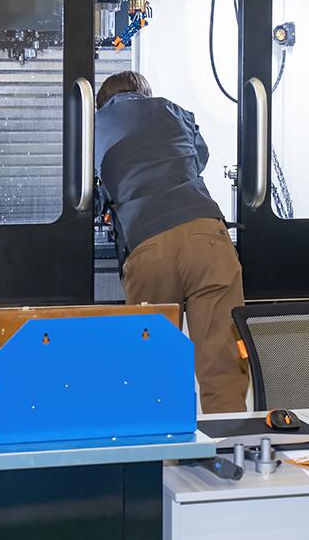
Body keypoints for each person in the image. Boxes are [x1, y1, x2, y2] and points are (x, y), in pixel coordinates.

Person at [94, 70, 248, 413]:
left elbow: (92, 192)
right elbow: (198, 159)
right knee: (220, 361)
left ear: (102, 102)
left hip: (148, 245)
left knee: (153, 363)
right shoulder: (174, 111)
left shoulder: (94, 127)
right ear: (144, 94)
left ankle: (161, 456)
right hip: (206, 236)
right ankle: (227, 448)